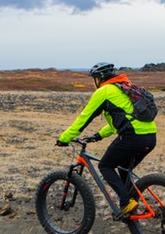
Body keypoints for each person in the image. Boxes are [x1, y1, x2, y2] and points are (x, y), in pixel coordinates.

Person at [56, 62, 157, 216]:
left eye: (95, 79)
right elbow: (124, 120)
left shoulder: (104, 91)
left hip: (132, 137)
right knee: (123, 168)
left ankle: (127, 202)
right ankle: (130, 208)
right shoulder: (124, 88)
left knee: (105, 166)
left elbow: (84, 118)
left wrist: (64, 138)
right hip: (150, 137)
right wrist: (98, 135)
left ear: (99, 78)